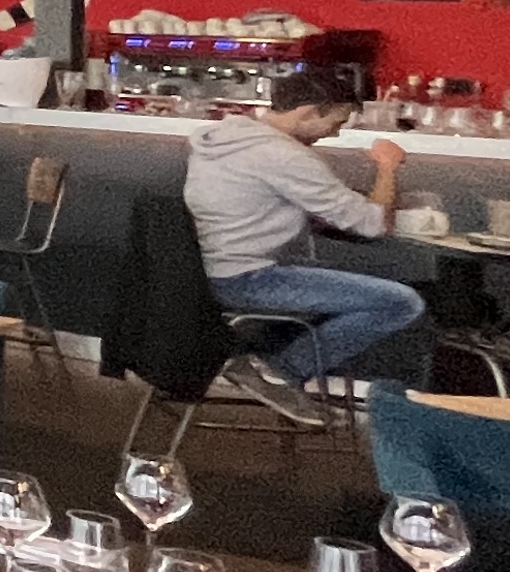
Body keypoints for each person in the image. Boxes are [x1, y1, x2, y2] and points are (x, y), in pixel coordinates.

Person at [179, 71, 424, 424]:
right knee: (401, 302)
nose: (335, 133)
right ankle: (278, 374)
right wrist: (387, 167)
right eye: (335, 122)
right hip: (246, 278)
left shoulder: (223, 136)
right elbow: (372, 225)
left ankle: (275, 371)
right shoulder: (285, 156)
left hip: (206, 270)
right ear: (309, 112)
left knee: (354, 279)